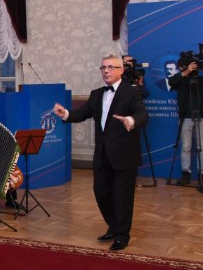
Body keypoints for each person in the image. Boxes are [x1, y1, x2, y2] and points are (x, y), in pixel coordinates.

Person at [52, 54, 148, 252]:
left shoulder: (131, 92)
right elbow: (83, 113)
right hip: (103, 154)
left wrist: (131, 121)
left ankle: (122, 235)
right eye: (103, 67)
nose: (106, 71)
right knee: (101, 192)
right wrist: (67, 114)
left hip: (124, 155)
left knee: (122, 197)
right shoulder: (96, 94)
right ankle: (114, 226)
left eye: (111, 67)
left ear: (121, 70)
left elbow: (142, 114)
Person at [168, 52, 203, 185]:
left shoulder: (200, 79)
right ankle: (186, 173)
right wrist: (186, 72)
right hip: (185, 117)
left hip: (201, 117)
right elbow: (171, 81)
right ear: (182, 67)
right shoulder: (180, 79)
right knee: (186, 147)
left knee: (201, 146)